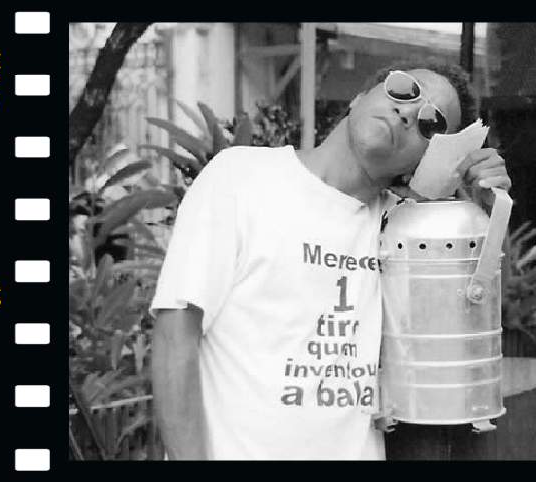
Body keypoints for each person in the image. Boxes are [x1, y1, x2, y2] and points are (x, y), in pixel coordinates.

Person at [150, 58, 511, 460]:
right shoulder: (240, 177)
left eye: (431, 123)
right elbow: (175, 335)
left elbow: (474, 317)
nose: (408, 112)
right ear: (359, 97)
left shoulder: (406, 233)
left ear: (425, 162)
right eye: (404, 89)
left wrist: (484, 215)